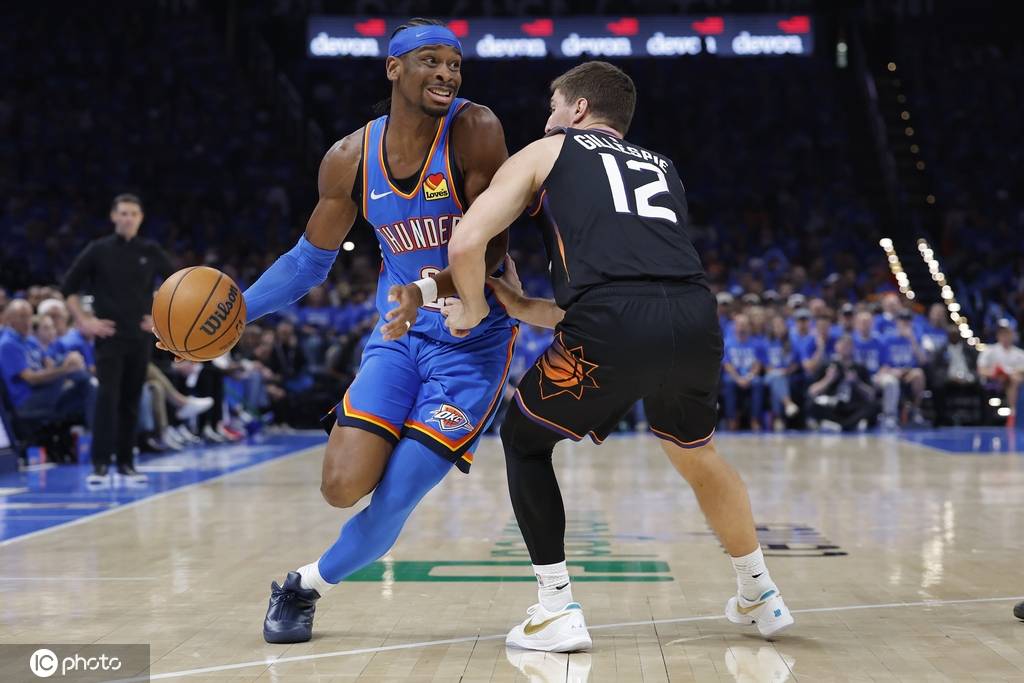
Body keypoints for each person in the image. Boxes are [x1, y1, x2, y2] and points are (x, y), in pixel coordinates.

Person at [445, 60, 792, 652]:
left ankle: (556, 608)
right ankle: (760, 591)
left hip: (615, 322)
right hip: (694, 317)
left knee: (524, 440)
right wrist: (523, 305)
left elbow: (467, 242)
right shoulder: (662, 165)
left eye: (554, 106)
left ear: (578, 109)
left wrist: (474, 308)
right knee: (696, 453)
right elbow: (633, 288)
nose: (548, 118)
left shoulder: (548, 150)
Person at [212, 19, 514, 644]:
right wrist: (234, 315)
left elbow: (490, 247)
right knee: (341, 486)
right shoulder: (349, 158)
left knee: (397, 494)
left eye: (455, 64)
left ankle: (303, 586)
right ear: (393, 68)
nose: (447, 74)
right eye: (431, 61)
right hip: (400, 339)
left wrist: (425, 290)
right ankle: (390, 446)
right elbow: (307, 262)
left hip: (472, 345)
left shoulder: (475, 129)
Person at [62, 194, 173, 484]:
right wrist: (84, 321)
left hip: (139, 337)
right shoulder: (98, 249)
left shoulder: (150, 250)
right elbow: (68, 288)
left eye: (133, 214)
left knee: (132, 400)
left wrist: (160, 319)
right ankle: (100, 465)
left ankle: (126, 464)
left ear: (141, 218)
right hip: (109, 337)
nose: (128, 218)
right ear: (113, 216)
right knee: (107, 399)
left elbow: (178, 283)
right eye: (123, 213)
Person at [0, 300, 94, 431]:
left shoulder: (30, 340)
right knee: (77, 374)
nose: (27, 321)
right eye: (22, 316)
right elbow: (31, 379)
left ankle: (94, 434)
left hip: (45, 392)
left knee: (87, 389)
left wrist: (66, 366)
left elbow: (49, 365)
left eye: (29, 316)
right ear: (9, 319)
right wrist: (65, 369)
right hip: (27, 401)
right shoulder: (7, 344)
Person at [806, 335, 880, 432]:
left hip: (853, 406)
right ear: (836, 347)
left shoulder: (860, 368)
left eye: (848, 345)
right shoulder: (828, 366)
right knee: (812, 405)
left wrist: (857, 382)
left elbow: (871, 394)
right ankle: (849, 425)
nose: (845, 348)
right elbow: (811, 391)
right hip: (833, 405)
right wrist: (828, 379)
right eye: (842, 345)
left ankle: (841, 426)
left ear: (852, 348)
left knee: (874, 406)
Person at [722, 314, 766, 431]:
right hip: (734, 376)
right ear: (734, 326)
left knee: (758, 382)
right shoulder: (727, 343)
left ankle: (754, 420)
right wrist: (738, 379)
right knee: (728, 382)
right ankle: (732, 420)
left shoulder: (757, 343)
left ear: (749, 327)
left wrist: (749, 377)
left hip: (750, 376)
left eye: (744, 325)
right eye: (739, 324)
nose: (742, 327)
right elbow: (727, 365)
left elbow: (758, 364)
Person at [977, 320, 1024, 427]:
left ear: (1012, 335)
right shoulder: (990, 350)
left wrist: (1013, 373)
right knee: (1010, 378)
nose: (1005, 337)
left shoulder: (1020, 353)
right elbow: (981, 369)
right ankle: (1013, 412)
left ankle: (1014, 412)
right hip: (994, 380)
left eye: (1007, 333)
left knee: (1015, 378)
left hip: (1014, 381)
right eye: (1002, 334)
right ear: (998, 335)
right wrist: (995, 373)